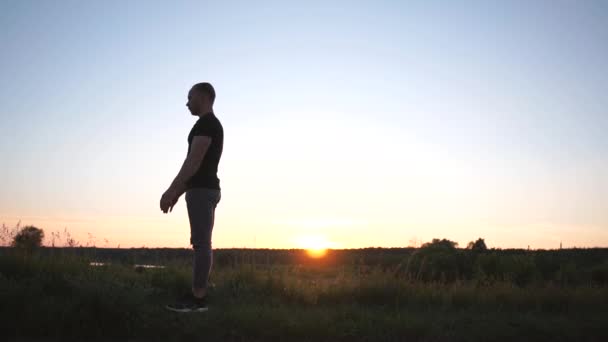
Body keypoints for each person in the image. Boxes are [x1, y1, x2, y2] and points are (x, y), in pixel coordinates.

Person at [160, 82, 224, 312]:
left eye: (190, 97)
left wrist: (171, 190)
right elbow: (196, 165)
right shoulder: (208, 124)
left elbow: (193, 163)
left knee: (201, 244)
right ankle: (199, 292)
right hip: (203, 189)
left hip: (202, 191)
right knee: (202, 243)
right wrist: (178, 193)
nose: (186, 103)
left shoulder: (207, 124)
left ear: (204, 96)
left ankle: (198, 299)